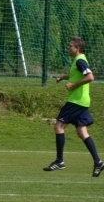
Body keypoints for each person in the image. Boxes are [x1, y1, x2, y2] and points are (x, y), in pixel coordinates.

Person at [43, 37, 104, 177]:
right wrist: (63, 77)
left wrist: (73, 85)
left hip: (76, 101)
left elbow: (90, 77)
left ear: (77, 48)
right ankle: (98, 162)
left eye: (70, 46)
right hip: (82, 102)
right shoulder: (78, 60)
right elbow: (75, 74)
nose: (68, 48)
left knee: (59, 126)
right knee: (82, 132)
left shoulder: (80, 60)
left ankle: (59, 161)